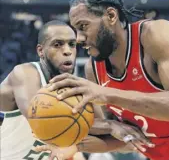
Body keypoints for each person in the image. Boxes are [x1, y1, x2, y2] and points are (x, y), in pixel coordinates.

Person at [35, 0, 169, 160]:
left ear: (111, 16)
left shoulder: (156, 35)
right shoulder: (94, 69)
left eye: (83, 26)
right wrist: (71, 144)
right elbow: (125, 139)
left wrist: (106, 94)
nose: (78, 38)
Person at [1, 20, 149, 160]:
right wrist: (110, 126)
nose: (67, 51)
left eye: (72, 44)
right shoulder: (25, 73)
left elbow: (118, 141)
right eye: (57, 44)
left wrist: (127, 136)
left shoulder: (80, 88)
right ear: (40, 51)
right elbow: (39, 119)